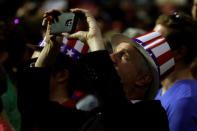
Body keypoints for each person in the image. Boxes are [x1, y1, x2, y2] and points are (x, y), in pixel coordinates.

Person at [18, 8, 170, 131]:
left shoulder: (152, 117)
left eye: (124, 56)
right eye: (113, 52)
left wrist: (95, 40)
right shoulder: (95, 116)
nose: (111, 58)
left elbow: (118, 113)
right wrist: (49, 50)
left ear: (143, 78)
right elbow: (34, 109)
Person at [153, 11, 197, 131]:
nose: (148, 47)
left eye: (157, 42)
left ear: (179, 52)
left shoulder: (183, 102)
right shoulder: (163, 91)